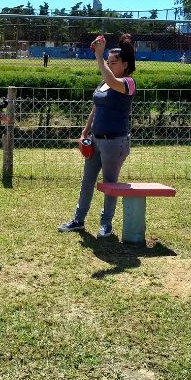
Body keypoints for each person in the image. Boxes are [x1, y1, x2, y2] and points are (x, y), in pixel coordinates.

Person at [58, 33, 136, 237]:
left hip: (115, 142)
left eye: (113, 62)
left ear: (125, 65)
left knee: (110, 185)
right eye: (108, 62)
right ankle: (78, 220)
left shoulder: (128, 83)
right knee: (87, 182)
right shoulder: (105, 82)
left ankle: (106, 224)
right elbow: (96, 107)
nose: (109, 66)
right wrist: (85, 132)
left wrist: (99, 57)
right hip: (96, 140)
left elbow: (110, 79)